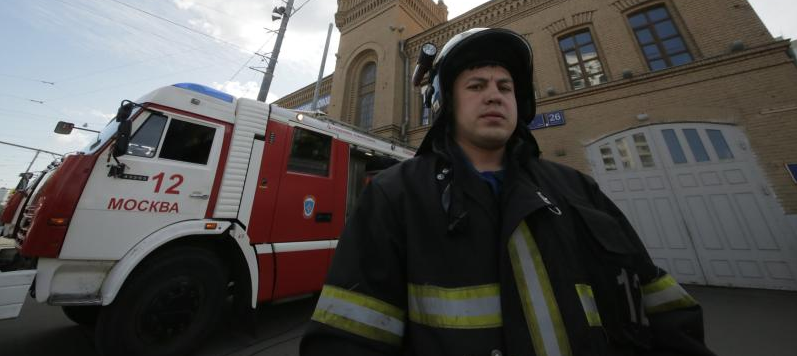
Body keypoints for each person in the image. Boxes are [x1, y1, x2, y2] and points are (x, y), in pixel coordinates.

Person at [301, 28, 715, 356]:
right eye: (476, 85)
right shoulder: (396, 195)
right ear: (445, 103)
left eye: (505, 86)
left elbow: (661, 308)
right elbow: (346, 336)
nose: (494, 95)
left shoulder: (576, 188)